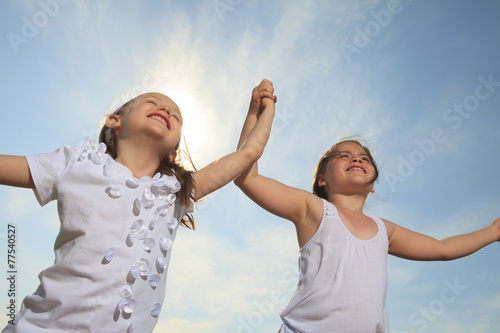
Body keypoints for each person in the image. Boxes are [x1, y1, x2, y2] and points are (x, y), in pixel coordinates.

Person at [0, 79, 276, 333]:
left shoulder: (175, 193)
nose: (166, 109)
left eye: (176, 115)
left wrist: (258, 111)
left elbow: (247, 154)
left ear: (173, 151)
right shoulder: (78, 162)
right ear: (114, 120)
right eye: (153, 102)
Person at [234, 124, 500, 332]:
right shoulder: (313, 209)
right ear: (322, 179)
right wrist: (256, 113)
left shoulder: (385, 230)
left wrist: (493, 232)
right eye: (344, 156)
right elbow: (247, 176)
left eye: (364, 158)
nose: (357, 159)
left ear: (373, 184)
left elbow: (443, 248)